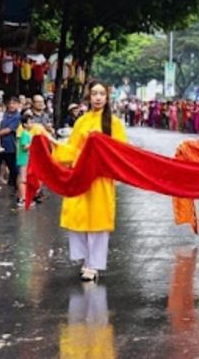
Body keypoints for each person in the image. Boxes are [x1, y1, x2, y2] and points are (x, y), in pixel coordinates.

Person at [53, 80, 127, 281]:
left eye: (101, 94)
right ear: (89, 96)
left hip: (101, 179)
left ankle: (93, 265)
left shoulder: (114, 123)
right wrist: (52, 145)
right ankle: (85, 260)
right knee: (78, 218)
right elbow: (72, 148)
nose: (98, 97)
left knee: (98, 221)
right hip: (80, 176)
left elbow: (121, 151)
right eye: (94, 93)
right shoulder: (81, 122)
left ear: (107, 97)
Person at [0, 97, 22, 192]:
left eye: (14, 103)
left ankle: (17, 189)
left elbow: (9, 130)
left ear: (18, 105)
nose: (11, 105)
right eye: (10, 103)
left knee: (14, 169)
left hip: (11, 146)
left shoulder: (18, 117)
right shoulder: (2, 114)